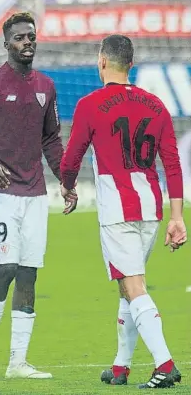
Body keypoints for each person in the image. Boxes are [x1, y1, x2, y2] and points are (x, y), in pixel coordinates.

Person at [60, 34, 186, 389]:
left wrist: (67, 186)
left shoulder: (89, 104)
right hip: (152, 208)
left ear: (101, 61)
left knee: (133, 286)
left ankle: (165, 364)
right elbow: (173, 165)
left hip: (118, 209)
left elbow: (71, 159)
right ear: (131, 64)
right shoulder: (156, 104)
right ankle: (121, 367)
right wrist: (177, 217)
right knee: (127, 285)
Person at [0, 11, 77, 381]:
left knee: (28, 273)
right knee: (7, 267)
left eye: (31, 36)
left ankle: (17, 362)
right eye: (19, 38)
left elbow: (50, 139)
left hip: (35, 194)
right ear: (6, 43)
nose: (27, 42)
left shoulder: (46, 86)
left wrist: (66, 179)